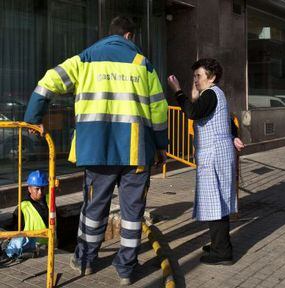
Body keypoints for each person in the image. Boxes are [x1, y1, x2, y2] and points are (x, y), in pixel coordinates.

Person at [24, 16, 168, 285]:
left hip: (97, 149)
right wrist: (161, 146)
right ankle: (126, 269)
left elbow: (47, 83)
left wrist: (33, 117)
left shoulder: (85, 59)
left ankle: (86, 261)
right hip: (136, 150)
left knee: (94, 208)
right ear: (129, 36)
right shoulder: (143, 65)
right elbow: (159, 110)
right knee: (133, 213)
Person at [167, 58, 244, 265]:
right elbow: (226, 119)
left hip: (214, 155)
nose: (195, 80)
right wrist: (234, 135)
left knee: (215, 204)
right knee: (219, 202)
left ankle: (222, 253)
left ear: (212, 77)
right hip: (218, 153)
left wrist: (177, 91)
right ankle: (220, 244)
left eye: (198, 76)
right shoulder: (214, 94)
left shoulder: (211, 94)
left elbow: (192, 112)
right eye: (194, 76)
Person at [1, 170, 49, 261]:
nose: (40, 192)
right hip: (35, 245)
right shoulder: (24, 206)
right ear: (29, 189)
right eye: (37, 189)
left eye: (42, 188)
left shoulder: (49, 200)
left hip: (50, 245)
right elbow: (15, 227)